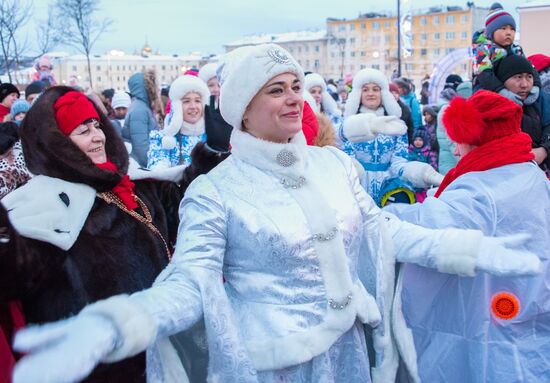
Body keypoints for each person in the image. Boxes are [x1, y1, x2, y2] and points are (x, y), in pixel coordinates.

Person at [10, 44, 541, 383]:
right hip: (278, 367)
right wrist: (120, 321)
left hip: (352, 353)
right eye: (275, 91)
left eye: (295, 88)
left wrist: (469, 250)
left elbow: (384, 233)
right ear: (243, 106)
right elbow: (191, 282)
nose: (294, 101)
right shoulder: (216, 191)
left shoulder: (333, 164)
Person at [0, 88, 227, 382]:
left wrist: (207, 161)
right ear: (56, 144)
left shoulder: (131, 186)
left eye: (97, 125)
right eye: (83, 130)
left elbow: (179, 206)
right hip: (101, 368)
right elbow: (16, 272)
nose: (98, 137)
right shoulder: (41, 205)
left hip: (160, 352)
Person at [385, 90, 550, 382]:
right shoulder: (529, 171)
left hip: (492, 327)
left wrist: (376, 217)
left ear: (475, 137)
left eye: (458, 140)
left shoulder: (480, 188)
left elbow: (428, 227)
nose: (457, 151)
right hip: (531, 304)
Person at [340, 68, 443, 206]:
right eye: (365, 89)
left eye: (375, 89)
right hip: (358, 188)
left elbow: (398, 164)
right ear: (358, 94)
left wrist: (422, 173)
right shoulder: (348, 125)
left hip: (388, 189)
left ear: (383, 94)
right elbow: (347, 160)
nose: (371, 93)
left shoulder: (396, 126)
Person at [494, 55, 550, 170]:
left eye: (529, 77)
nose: (524, 84)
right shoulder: (491, 106)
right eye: (518, 77)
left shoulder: (541, 100)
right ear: (503, 81)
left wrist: (544, 150)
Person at [147, 75, 210, 169]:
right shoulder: (163, 139)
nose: (193, 106)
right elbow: (158, 170)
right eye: (186, 101)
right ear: (177, 107)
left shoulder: (211, 136)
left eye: (197, 101)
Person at [122, 70, 162, 167]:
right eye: (153, 86)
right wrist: (152, 166)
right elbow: (141, 146)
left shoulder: (141, 106)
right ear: (146, 88)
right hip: (142, 167)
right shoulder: (140, 110)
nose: (157, 89)